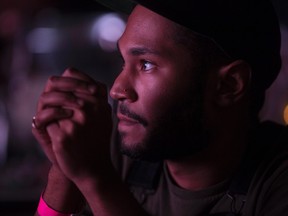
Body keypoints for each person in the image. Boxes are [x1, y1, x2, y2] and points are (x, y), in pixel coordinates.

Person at [31, 0, 288, 215]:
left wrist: (96, 179)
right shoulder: (115, 149)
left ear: (229, 85)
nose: (117, 90)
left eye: (146, 64)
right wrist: (64, 168)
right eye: (124, 62)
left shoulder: (276, 181)